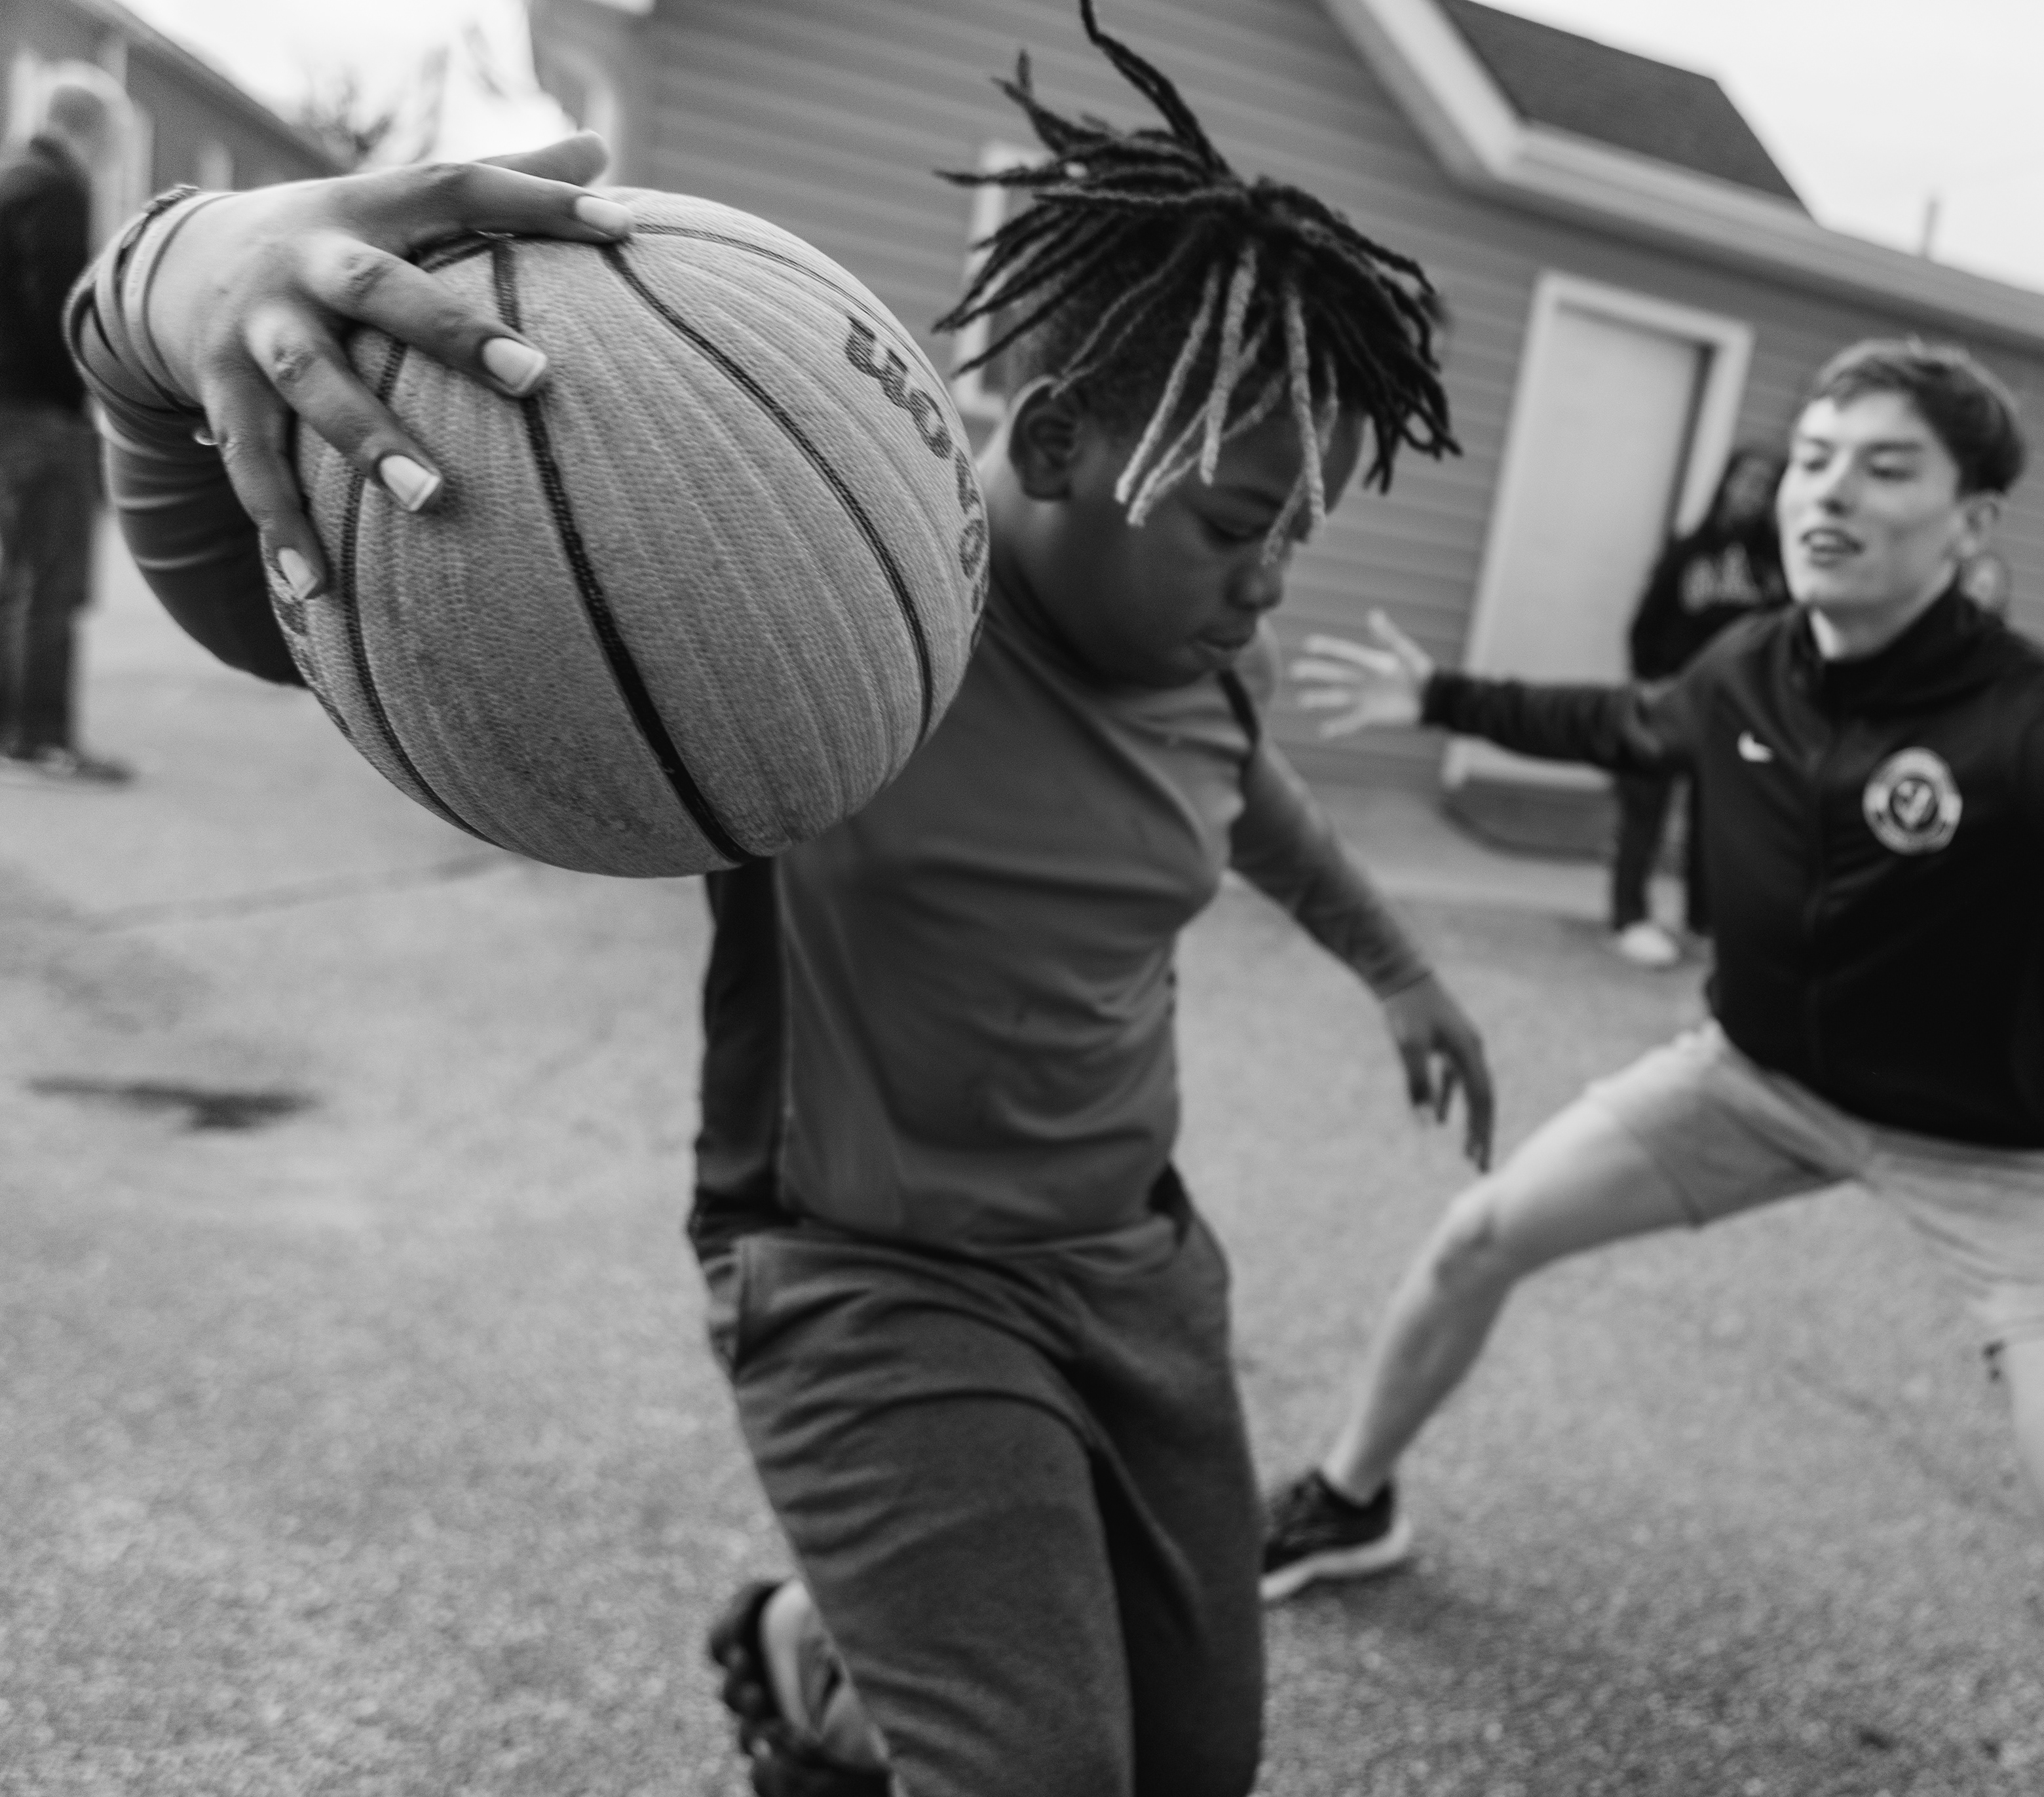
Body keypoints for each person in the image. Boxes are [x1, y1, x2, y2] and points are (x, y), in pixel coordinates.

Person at [65, 7, 1493, 1794]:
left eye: (1299, 532)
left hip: (1133, 1254)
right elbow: (266, 604)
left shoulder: (1205, 667)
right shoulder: (815, 617)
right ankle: (823, 1672)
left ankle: (833, 1655)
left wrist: (1399, 969)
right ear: (1056, 445)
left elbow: (1255, 805)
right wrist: (169, 280)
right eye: (1232, 523)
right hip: (866, 1271)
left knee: (1195, 1770)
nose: (1270, 579)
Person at [1272, 337, 2044, 1797]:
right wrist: (1442, 698)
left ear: (1971, 521)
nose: (1830, 492)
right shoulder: (1745, 667)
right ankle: (1351, 1497)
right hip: (1753, 1083)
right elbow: (1624, 723)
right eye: (1813, 459)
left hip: (2006, 1158)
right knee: (1478, 1234)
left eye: (1884, 467)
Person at [1606, 445, 1786, 968]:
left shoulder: (1776, 568)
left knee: (1719, 822)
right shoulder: (1687, 551)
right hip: (1669, 698)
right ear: (1726, 483)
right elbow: (1645, 624)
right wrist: (1648, 688)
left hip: (1739, 710)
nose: (1752, 492)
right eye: (1745, 480)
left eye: (1765, 484)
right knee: (1644, 812)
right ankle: (1629, 917)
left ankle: (1702, 923)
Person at [0, 74, 128, 787]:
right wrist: (86, 394)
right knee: (51, 579)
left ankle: (10, 730)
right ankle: (41, 738)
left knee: (15, 574)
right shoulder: (57, 188)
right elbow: (59, 309)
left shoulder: (10, 179)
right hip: (40, 414)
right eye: (115, 138)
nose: (114, 155)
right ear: (91, 129)